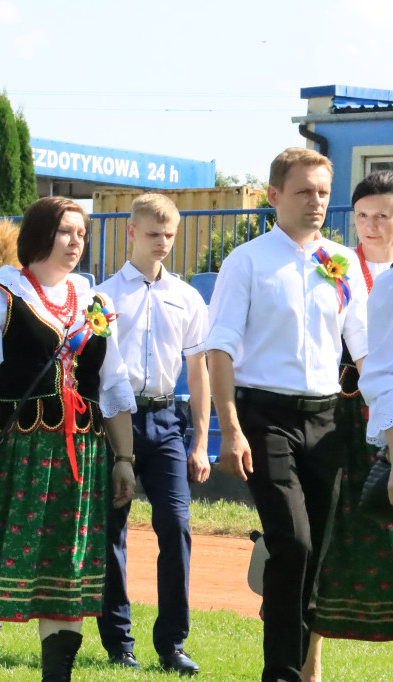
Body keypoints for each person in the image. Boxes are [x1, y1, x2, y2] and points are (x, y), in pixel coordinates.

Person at [0, 196, 137, 682]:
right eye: (65, 232)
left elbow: (114, 384)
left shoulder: (94, 301)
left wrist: (124, 457)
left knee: (69, 573)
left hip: (80, 457)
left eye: (81, 233)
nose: (75, 242)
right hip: (14, 453)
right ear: (39, 235)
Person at [206, 147, 367, 682]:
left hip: (326, 420)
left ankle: (294, 652)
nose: (316, 201)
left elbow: (365, 350)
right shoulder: (247, 261)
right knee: (292, 541)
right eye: (304, 191)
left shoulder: (340, 263)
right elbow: (220, 350)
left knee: (313, 553)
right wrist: (230, 428)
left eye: (323, 192)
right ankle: (281, 672)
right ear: (274, 196)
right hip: (264, 416)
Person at [93, 193, 210, 675]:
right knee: (110, 533)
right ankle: (119, 642)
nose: (162, 242)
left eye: (169, 234)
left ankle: (172, 643)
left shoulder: (187, 297)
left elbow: (199, 371)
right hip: (112, 424)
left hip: (166, 424)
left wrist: (201, 441)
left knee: (176, 527)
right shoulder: (103, 297)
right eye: (153, 233)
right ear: (131, 232)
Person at [301, 171, 393, 680]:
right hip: (335, 420)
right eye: (362, 215)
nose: (371, 225)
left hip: (391, 420)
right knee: (324, 532)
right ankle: (309, 661)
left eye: (383, 214)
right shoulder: (331, 265)